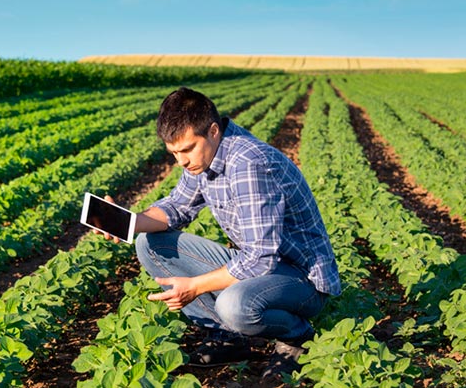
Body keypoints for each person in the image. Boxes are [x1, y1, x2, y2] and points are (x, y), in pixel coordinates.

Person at [97, 86, 341, 379]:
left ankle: (296, 338)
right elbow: (177, 207)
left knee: (234, 305)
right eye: (174, 152)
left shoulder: (249, 164)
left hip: (302, 279)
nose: (182, 162)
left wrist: (195, 286)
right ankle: (229, 337)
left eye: (187, 149)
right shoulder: (206, 156)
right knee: (150, 244)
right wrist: (128, 220)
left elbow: (259, 261)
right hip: (264, 268)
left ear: (213, 131)